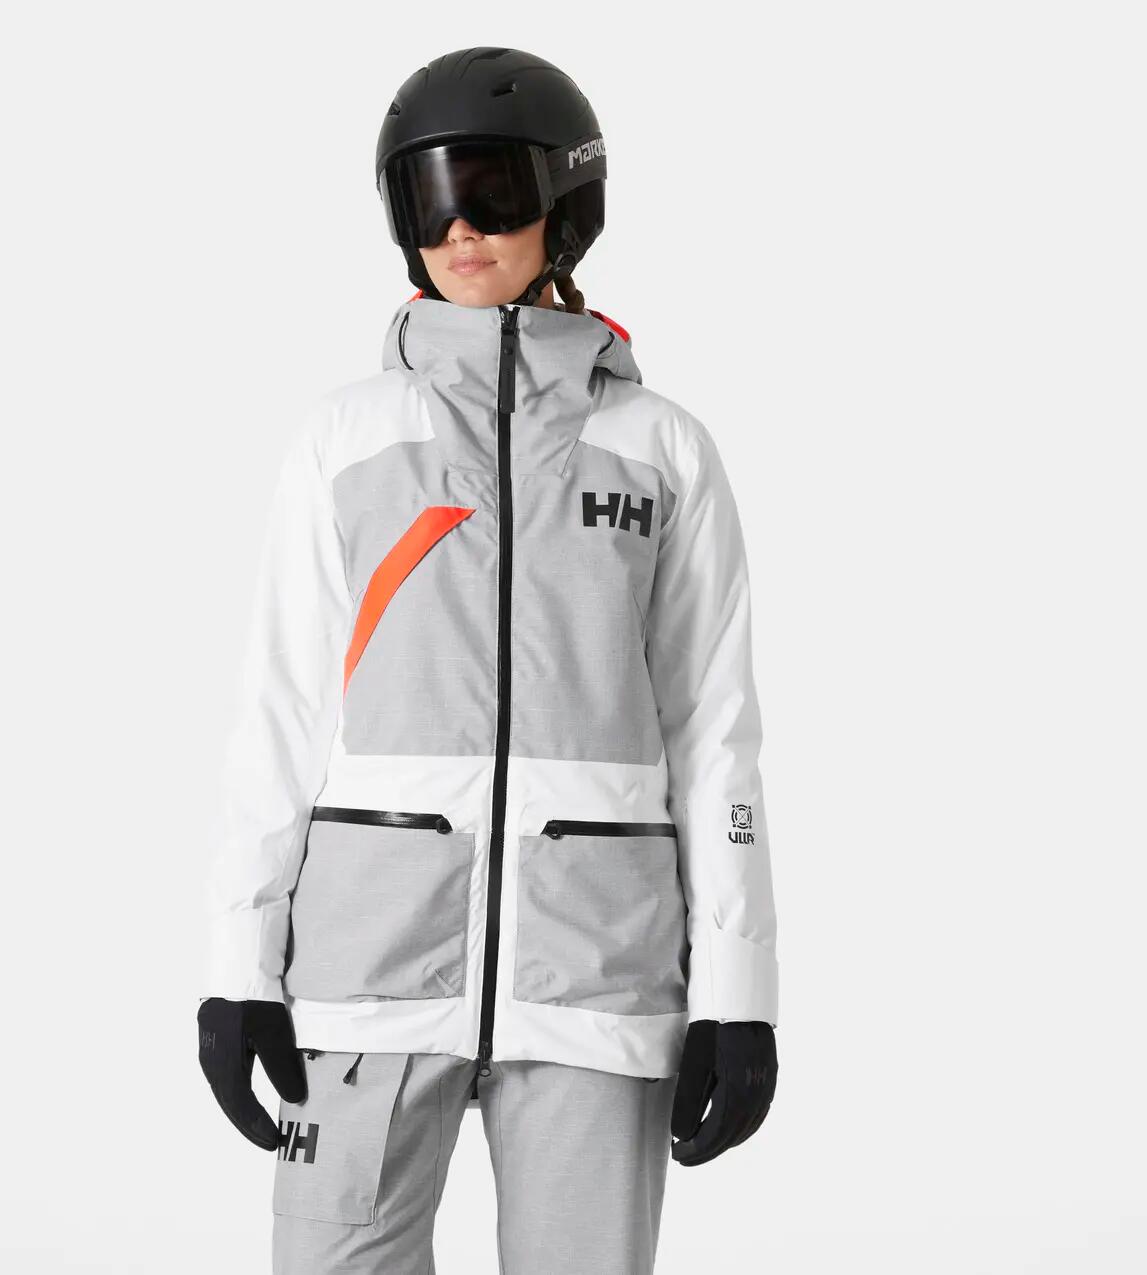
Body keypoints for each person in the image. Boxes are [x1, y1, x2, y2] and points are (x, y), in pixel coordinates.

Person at [197, 46, 780, 1275]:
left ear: (566, 204)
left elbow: (715, 733)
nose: (460, 228)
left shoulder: (662, 451)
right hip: (366, 968)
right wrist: (239, 968)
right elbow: (281, 715)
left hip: (596, 976)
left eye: (494, 191)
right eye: (429, 199)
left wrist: (740, 993)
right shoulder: (349, 441)